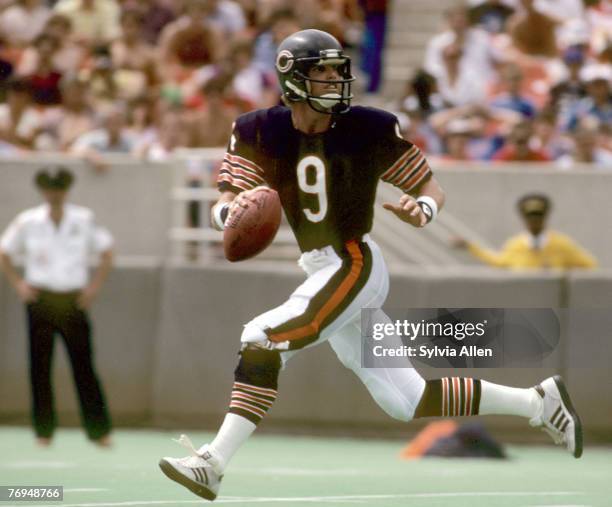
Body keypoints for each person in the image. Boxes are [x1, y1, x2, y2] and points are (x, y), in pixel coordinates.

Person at [159, 30, 583, 502]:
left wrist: (423, 210)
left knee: (261, 339)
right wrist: (228, 216)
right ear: (293, 76)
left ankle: (213, 463)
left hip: (353, 261)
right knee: (406, 400)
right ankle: (538, 402)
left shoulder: (368, 127)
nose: (336, 79)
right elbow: (229, 199)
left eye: (338, 69)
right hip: (319, 266)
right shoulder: (259, 129)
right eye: (322, 71)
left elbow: (430, 188)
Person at [0, 167, 113, 447]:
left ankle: (99, 432)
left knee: (84, 366)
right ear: (43, 190)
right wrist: (19, 286)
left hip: (72, 298)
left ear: (66, 190)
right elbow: (4, 251)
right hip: (41, 298)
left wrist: (93, 288)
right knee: (39, 367)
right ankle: (43, 431)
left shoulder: (83, 218)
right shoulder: (28, 221)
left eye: (59, 187)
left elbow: (106, 251)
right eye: (50, 188)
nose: (54, 193)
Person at [453, 193, 598, 269]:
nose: (534, 222)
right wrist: (470, 247)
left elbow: (589, 264)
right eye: (530, 218)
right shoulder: (515, 245)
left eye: (538, 217)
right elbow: (498, 261)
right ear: (524, 219)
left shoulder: (561, 245)